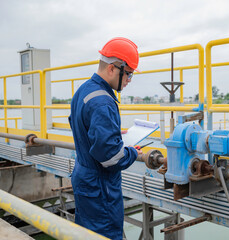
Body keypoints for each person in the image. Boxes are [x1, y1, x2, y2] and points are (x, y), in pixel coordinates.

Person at [69, 37, 142, 240]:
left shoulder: (84, 90)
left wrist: (110, 134)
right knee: (105, 234)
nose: (129, 80)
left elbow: (81, 128)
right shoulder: (103, 101)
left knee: (86, 234)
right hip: (100, 187)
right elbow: (111, 158)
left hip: (85, 177)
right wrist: (132, 152)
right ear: (112, 68)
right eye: (128, 74)